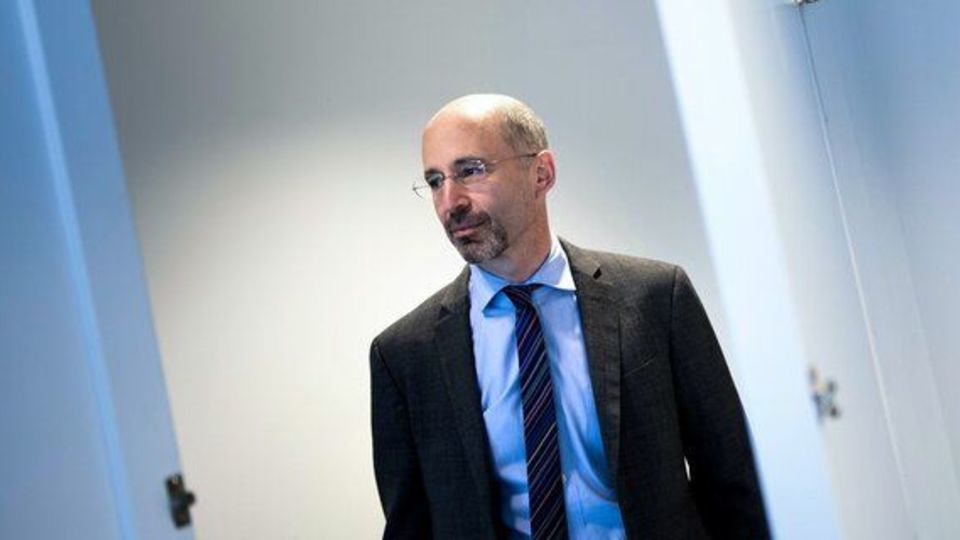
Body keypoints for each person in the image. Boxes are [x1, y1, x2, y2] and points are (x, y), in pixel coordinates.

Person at [370, 94, 769, 539]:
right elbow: (410, 529)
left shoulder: (657, 297)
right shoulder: (404, 356)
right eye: (435, 180)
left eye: (471, 170)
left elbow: (735, 482)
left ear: (541, 173)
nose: (450, 201)